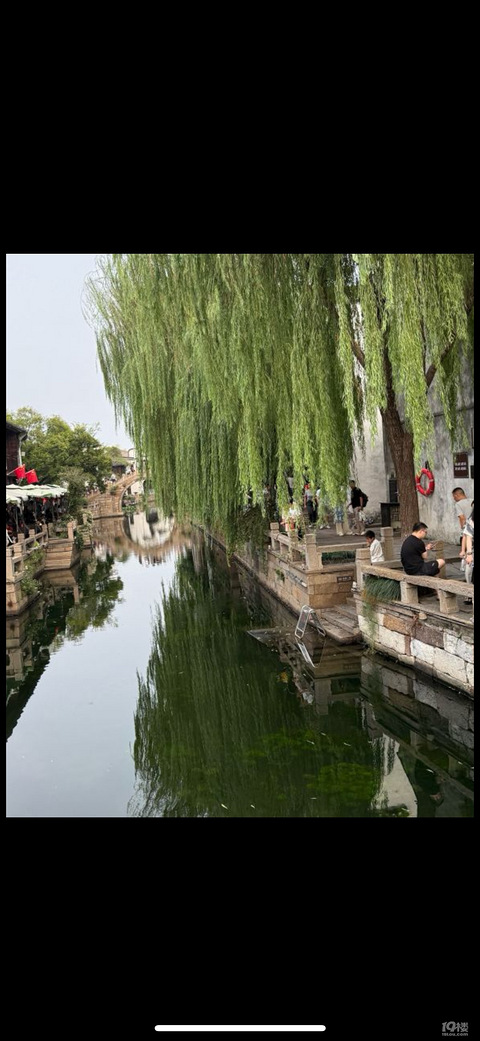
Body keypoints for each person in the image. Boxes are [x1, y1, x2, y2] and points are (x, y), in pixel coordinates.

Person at [463, 506, 474, 604]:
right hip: (473, 551)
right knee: (468, 570)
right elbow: (468, 537)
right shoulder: (471, 520)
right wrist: (469, 554)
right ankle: (469, 594)